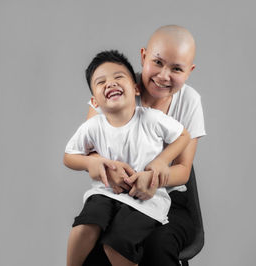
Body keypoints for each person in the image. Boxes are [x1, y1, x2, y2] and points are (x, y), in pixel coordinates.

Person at [66, 25, 206, 266]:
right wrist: (109, 169)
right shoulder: (118, 87)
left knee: (157, 244)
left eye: (176, 69)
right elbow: (90, 147)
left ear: (189, 71)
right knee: (102, 239)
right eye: (158, 62)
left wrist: (153, 176)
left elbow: (183, 170)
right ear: (143, 56)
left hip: (167, 197)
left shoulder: (189, 101)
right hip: (117, 192)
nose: (164, 75)